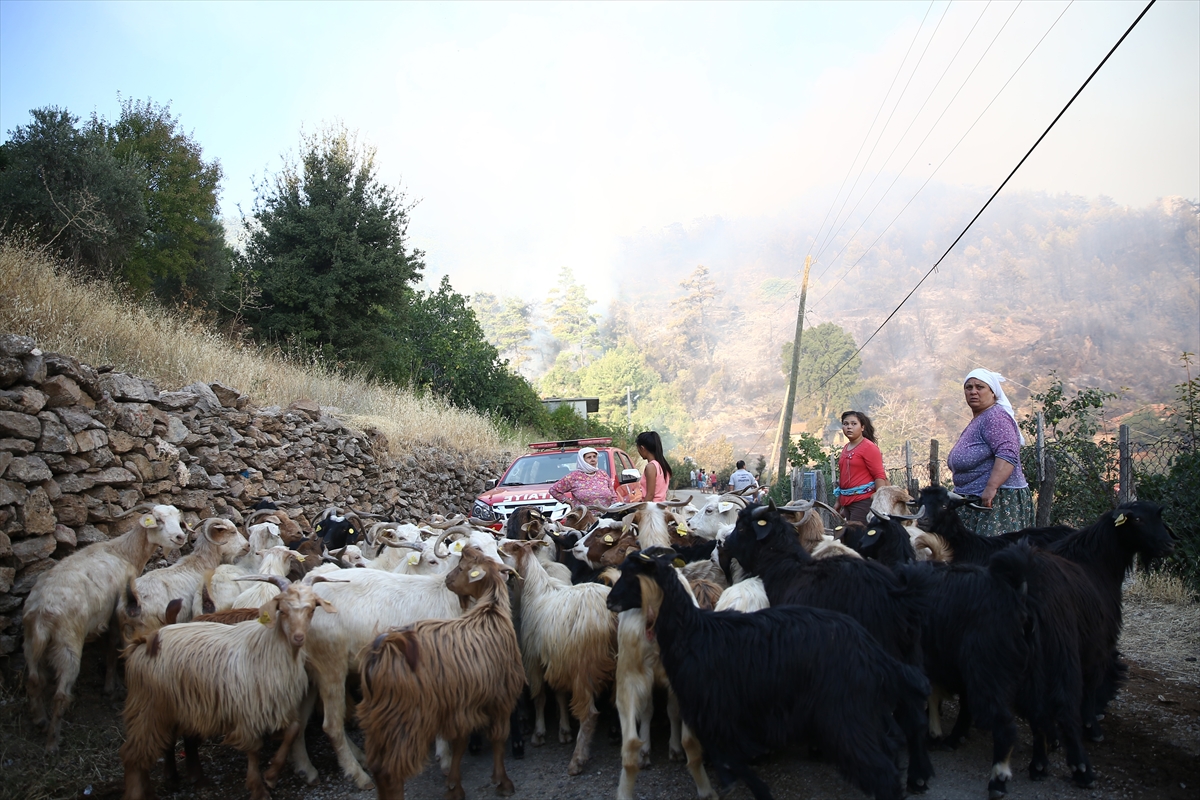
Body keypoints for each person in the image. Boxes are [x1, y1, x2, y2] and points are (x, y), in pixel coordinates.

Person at [947, 368, 1033, 536]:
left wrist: (991, 487)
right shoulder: (981, 418)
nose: (973, 391)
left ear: (993, 393)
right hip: (977, 501)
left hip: (996, 502)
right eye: (969, 387)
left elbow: (1008, 454)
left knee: (993, 557)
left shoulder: (996, 417)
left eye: (980, 387)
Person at [834, 411, 889, 524]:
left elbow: (879, 476)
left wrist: (878, 503)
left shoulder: (869, 447)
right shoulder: (846, 448)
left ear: (862, 427)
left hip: (864, 501)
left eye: (854, 424)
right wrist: (838, 503)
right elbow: (843, 479)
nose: (849, 427)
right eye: (846, 424)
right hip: (847, 502)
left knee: (858, 537)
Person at [548, 446, 619, 507]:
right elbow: (553, 490)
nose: (592, 459)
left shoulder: (603, 474)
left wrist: (613, 510)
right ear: (582, 460)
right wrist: (569, 502)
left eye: (594, 457)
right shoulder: (573, 477)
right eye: (589, 457)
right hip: (584, 518)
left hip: (605, 517)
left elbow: (613, 495)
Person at [636, 431, 672, 502]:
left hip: (652, 509)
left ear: (642, 448)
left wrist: (642, 510)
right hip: (661, 508)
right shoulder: (662, 465)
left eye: (638, 449)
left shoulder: (651, 467)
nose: (639, 452)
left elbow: (650, 495)